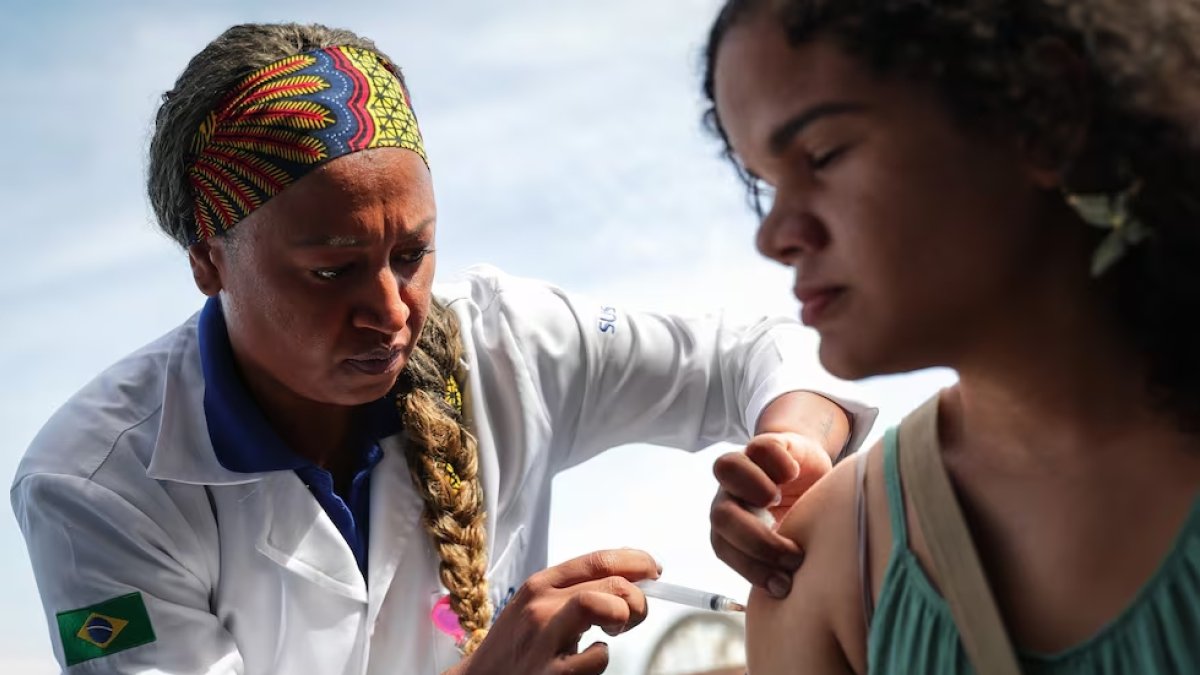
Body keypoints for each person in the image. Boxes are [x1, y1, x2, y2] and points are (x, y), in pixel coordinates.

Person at [10, 22, 876, 675]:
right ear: (209, 259)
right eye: (331, 272)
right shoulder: (96, 487)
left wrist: (793, 448)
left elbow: (758, 354)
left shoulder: (509, 344)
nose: (390, 311)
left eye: (411, 254)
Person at [702, 0, 1200, 673]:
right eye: (764, 186)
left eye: (824, 155)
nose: (774, 236)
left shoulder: (850, 563)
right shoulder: (825, 563)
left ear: (1042, 113)